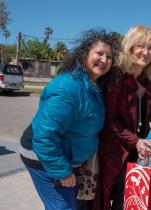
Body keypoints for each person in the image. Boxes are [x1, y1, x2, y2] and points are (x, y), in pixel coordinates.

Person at [19, 28, 116, 210]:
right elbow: (45, 137)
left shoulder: (94, 85)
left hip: (69, 159)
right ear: (85, 54)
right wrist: (62, 172)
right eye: (99, 53)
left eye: (109, 57)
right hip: (42, 157)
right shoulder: (67, 87)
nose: (104, 60)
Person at [93, 25, 151, 210]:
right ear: (130, 46)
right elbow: (109, 118)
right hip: (115, 150)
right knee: (120, 197)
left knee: (136, 198)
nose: (146, 52)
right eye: (141, 46)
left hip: (139, 150)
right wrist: (135, 141)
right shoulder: (116, 76)